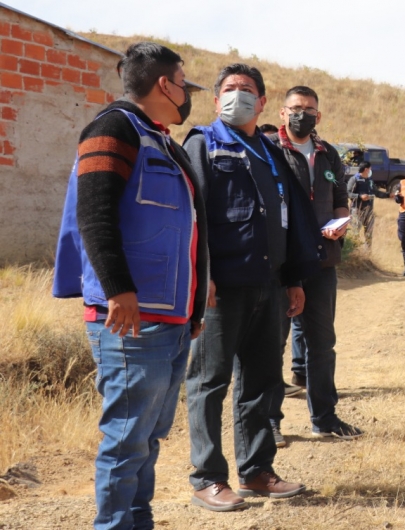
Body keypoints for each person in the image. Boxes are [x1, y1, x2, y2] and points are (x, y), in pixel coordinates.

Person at [52, 41, 209, 530]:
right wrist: (118, 289)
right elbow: (94, 214)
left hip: (170, 319)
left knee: (147, 438)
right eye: (183, 83)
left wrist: (195, 307)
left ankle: (138, 522)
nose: (187, 93)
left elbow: (188, 230)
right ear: (164, 84)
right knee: (126, 440)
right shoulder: (113, 128)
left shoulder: (161, 141)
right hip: (131, 320)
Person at [183, 64, 323, 512]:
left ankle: (257, 470)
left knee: (262, 382)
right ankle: (207, 477)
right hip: (221, 288)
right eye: (229, 88)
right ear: (215, 100)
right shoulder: (203, 144)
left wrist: (293, 279)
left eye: (247, 89)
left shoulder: (271, 152)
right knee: (209, 382)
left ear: (262, 102)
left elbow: (288, 218)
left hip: (271, 285)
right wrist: (201, 275)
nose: (237, 95)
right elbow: (191, 215)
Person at [268, 85, 362, 443]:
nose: (302, 114)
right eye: (296, 108)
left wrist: (341, 222)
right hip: (280, 264)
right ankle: (269, 422)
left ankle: (324, 418)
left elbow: (340, 196)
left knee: (322, 344)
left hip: (321, 262)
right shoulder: (269, 150)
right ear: (282, 112)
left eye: (309, 109)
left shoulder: (328, 154)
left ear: (318, 115)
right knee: (273, 343)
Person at [348, 161, 376, 244]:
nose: (371, 170)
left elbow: (376, 192)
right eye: (370, 168)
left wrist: (388, 194)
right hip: (357, 210)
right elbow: (348, 193)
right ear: (366, 169)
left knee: (369, 234)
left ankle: (368, 251)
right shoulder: (354, 179)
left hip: (369, 210)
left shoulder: (370, 180)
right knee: (355, 233)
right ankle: (354, 250)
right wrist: (360, 196)